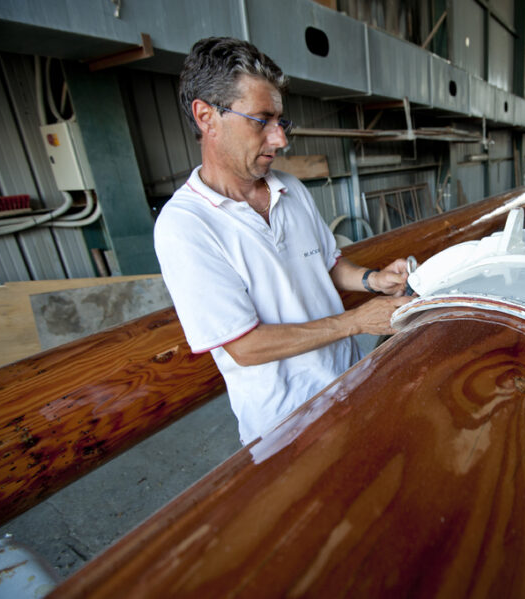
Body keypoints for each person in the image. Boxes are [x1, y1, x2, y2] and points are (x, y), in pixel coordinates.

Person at [154, 37, 410, 445]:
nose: (280, 140)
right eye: (262, 120)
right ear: (206, 116)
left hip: (351, 382)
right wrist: (357, 322)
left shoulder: (289, 188)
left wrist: (373, 281)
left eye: (281, 122)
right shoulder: (185, 227)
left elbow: (325, 263)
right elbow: (245, 347)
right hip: (288, 424)